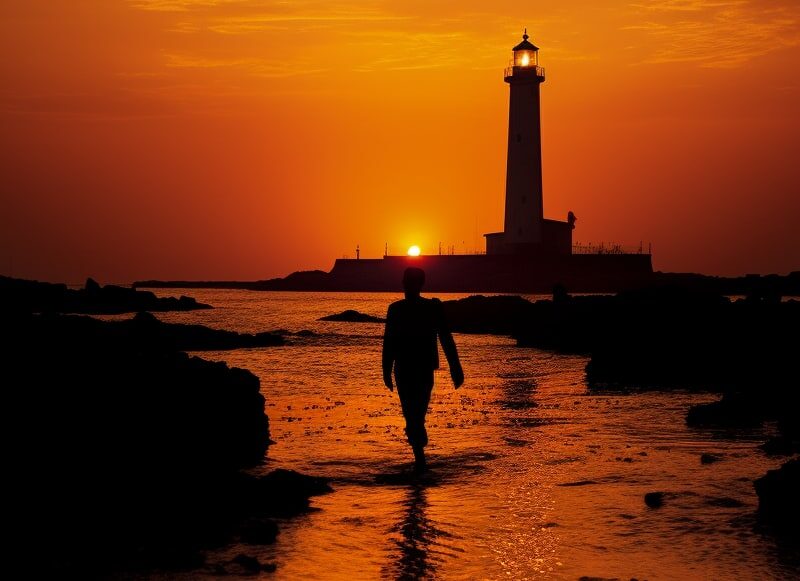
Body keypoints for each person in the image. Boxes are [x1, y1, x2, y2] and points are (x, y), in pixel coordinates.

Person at [382, 267, 464, 472]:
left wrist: (456, 368)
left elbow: (446, 338)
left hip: (421, 369)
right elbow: (389, 342)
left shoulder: (431, 307)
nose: (404, 285)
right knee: (412, 414)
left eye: (407, 281)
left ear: (417, 284)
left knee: (416, 414)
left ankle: (419, 457)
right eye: (404, 281)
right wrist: (385, 370)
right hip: (404, 369)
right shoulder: (396, 309)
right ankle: (420, 458)